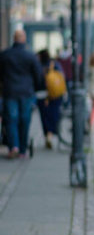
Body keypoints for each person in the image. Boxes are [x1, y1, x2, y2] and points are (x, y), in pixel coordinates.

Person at [0, 29, 44, 158]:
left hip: (10, 92)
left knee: (11, 120)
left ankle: (13, 146)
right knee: (25, 120)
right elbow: (38, 75)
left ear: (14, 39)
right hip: (26, 93)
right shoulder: (30, 56)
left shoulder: (5, 55)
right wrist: (35, 88)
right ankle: (23, 150)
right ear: (24, 39)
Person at [36, 49, 65, 149]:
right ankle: (50, 134)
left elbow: (36, 80)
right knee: (54, 114)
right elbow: (62, 77)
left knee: (44, 116)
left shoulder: (39, 66)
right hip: (56, 94)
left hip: (42, 94)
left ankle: (47, 135)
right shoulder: (55, 64)